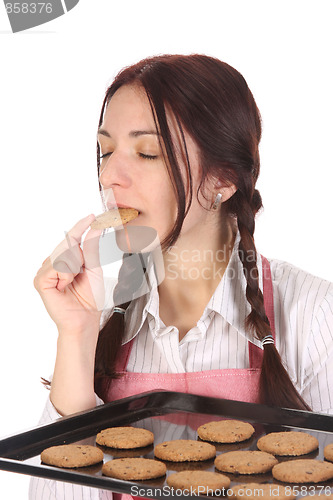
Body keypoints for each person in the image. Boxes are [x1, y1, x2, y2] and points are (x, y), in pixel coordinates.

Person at [29, 54, 333, 499]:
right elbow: (57, 484)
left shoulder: (311, 314)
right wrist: (75, 336)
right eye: (105, 150)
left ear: (222, 180)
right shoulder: (104, 317)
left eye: (147, 152)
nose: (110, 176)